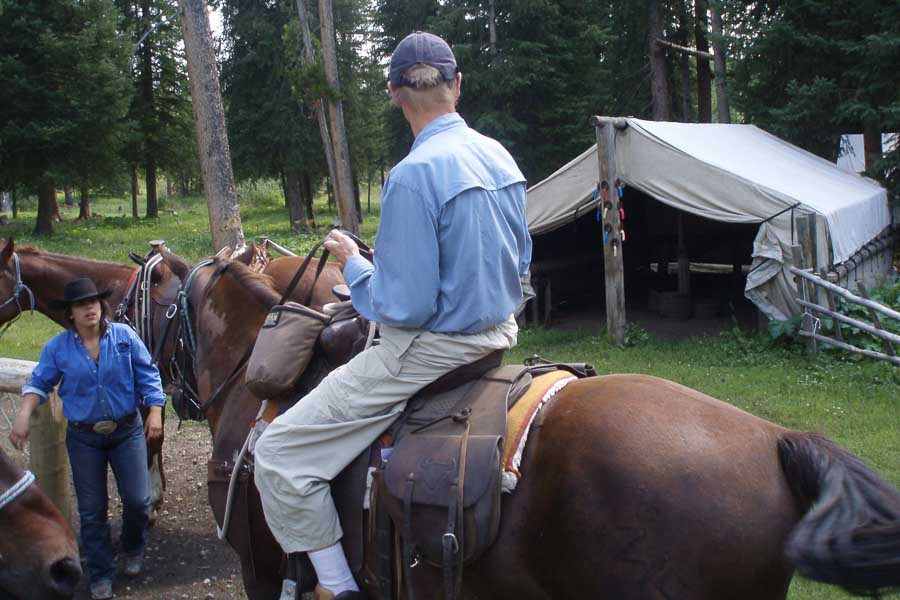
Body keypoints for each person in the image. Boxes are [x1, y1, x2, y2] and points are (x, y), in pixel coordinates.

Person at [253, 31, 531, 600]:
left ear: (394, 94)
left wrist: (354, 266)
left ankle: (336, 587)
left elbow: (403, 305)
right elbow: (519, 259)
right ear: (457, 85)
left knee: (278, 453)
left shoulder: (411, 174)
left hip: (428, 352)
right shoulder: (499, 156)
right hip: (498, 333)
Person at [9, 277, 166, 600]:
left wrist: (155, 411)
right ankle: (100, 573)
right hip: (84, 438)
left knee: (138, 500)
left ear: (101, 306)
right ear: (70, 314)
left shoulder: (124, 337)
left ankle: (133, 546)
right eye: (81, 305)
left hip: (127, 430)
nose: (89, 309)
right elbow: (39, 382)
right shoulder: (58, 348)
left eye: (93, 303)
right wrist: (23, 415)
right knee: (93, 510)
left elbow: (149, 374)